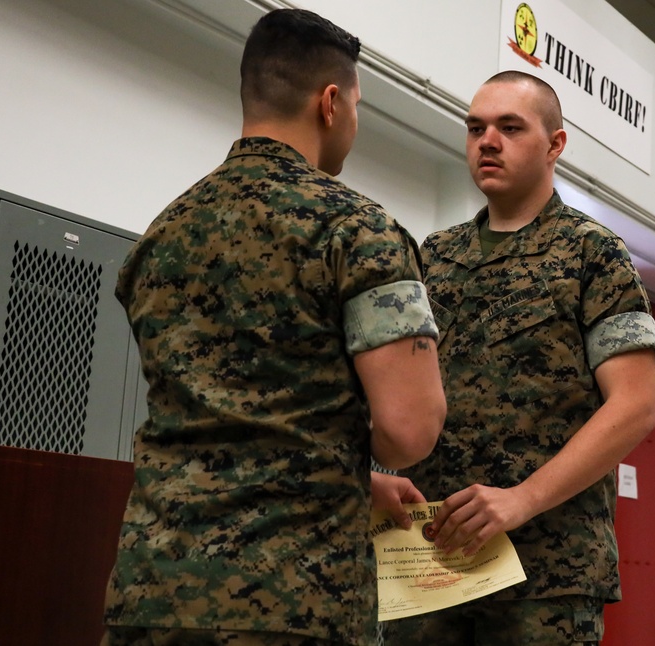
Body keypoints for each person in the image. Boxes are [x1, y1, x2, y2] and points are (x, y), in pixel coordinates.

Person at [103, 9, 446, 646]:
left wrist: (349, 474)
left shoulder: (162, 234)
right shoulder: (359, 233)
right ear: (331, 102)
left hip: (152, 593)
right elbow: (408, 430)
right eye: (357, 106)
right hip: (293, 600)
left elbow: (215, 416)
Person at [383, 71, 655, 645]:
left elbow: (636, 407)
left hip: (546, 575)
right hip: (429, 562)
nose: (487, 141)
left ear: (554, 145)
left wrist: (521, 500)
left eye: (510, 127)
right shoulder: (434, 255)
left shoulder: (592, 252)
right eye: (476, 128)